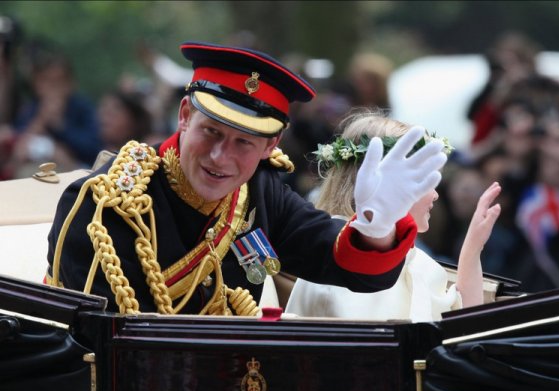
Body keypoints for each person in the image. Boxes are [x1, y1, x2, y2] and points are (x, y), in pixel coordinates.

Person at [46, 41, 447, 316]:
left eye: (244, 142)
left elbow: (342, 261)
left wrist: (377, 223)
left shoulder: (259, 192)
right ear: (184, 115)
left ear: (272, 144)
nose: (222, 157)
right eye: (212, 132)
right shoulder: (106, 206)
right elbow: (101, 351)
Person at [285, 109, 501, 322]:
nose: (435, 195)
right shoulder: (332, 256)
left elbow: (460, 327)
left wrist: (472, 248)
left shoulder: (419, 262)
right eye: (423, 180)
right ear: (381, 182)